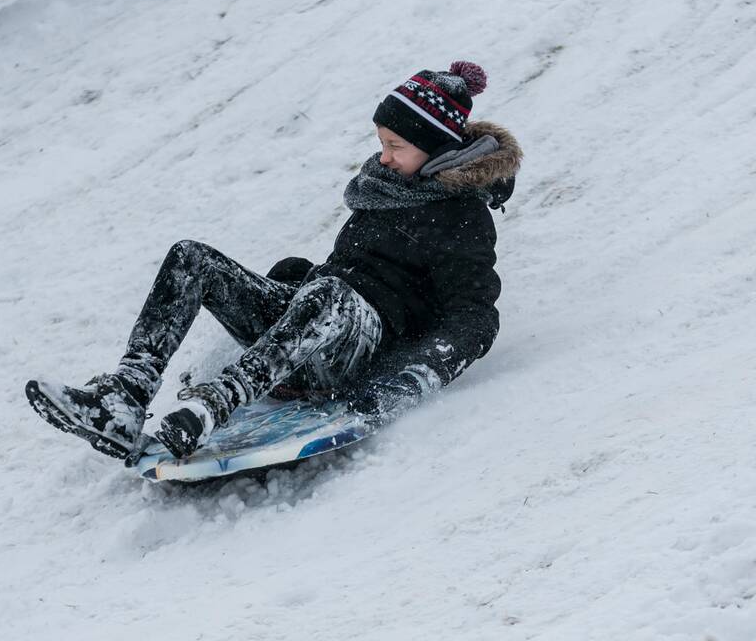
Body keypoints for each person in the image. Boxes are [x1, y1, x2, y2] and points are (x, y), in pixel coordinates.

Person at [26, 61, 522, 460]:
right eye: (381, 143)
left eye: (396, 146)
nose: (384, 157)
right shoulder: (388, 189)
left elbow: (474, 315)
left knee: (329, 293)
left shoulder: (461, 217)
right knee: (192, 258)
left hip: (361, 350)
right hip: (320, 327)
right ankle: (125, 400)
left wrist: (408, 381)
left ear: (434, 148)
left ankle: (213, 406)